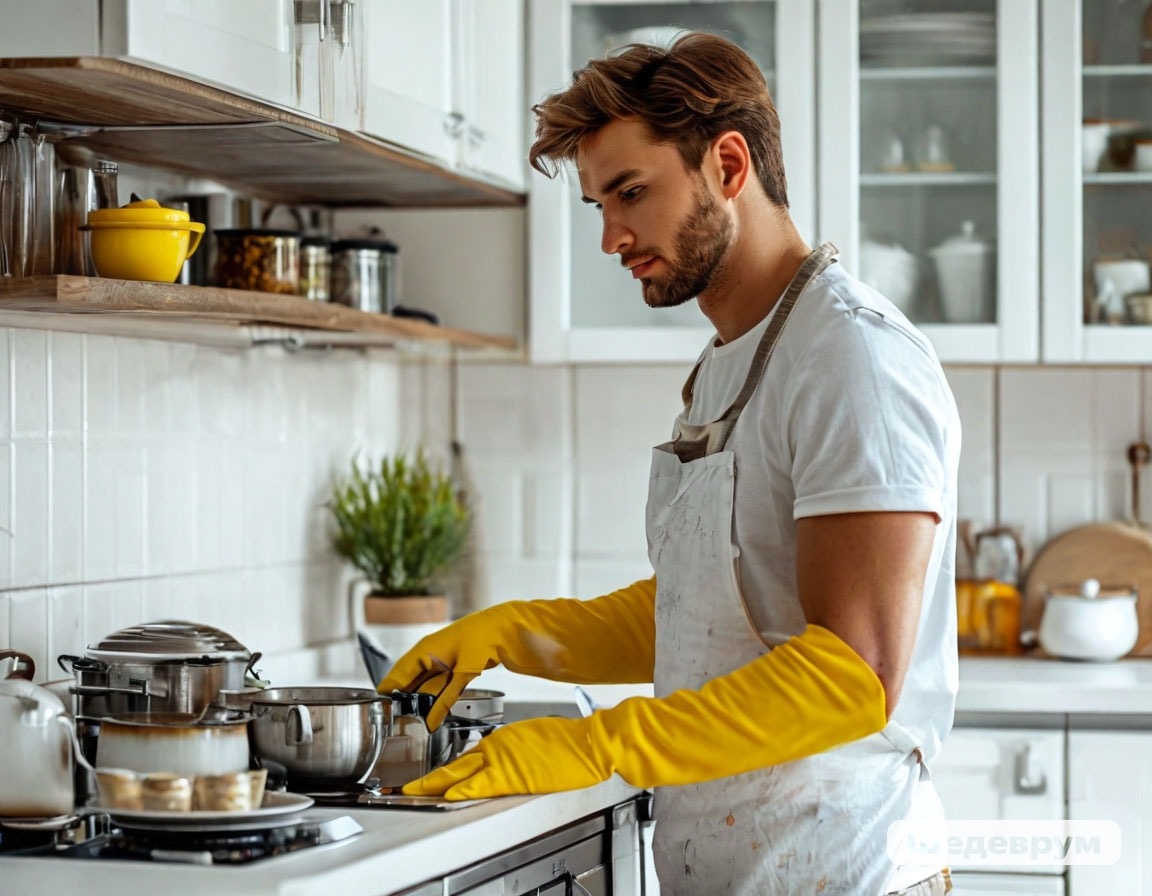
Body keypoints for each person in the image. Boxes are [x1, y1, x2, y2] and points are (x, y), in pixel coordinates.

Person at [379, 31, 960, 896]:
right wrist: (515, 633)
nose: (610, 236)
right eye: (598, 205)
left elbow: (854, 674)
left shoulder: (851, 356)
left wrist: (600, 742)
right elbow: (716, 612)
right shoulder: (732, 359)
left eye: (631, 192)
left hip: (846, 870)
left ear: (728, 165)